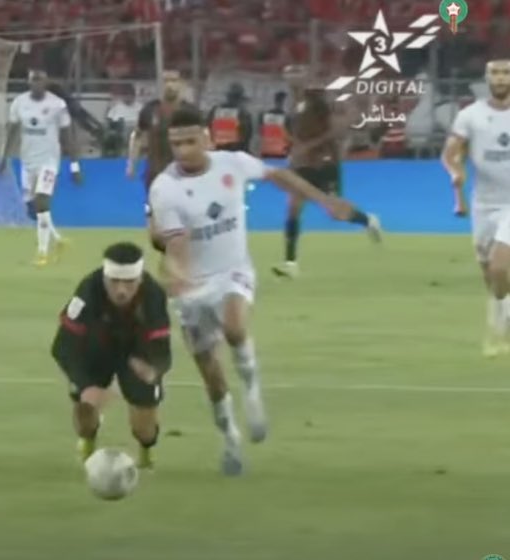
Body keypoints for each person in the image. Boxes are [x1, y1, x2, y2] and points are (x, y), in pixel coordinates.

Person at [148, 108, 372, 475]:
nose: (183, 150)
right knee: (211, 374)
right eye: (176, 144)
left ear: (206, 138)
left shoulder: (233, 163)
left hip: (233, 271)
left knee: (235, 328)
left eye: (190, 141)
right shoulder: (164, 188)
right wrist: (179, 276)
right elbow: (175, 244)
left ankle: (252, 389)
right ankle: (230, 440)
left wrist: (324, 200)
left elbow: (279, 175)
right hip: (193, 285)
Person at [51, 241, 171, 470]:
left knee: (144, 430)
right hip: (96, 351)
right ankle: (87, 445)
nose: (121, 290)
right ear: (105, 277)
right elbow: (62, 347)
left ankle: (146, 450)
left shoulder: (153, 296)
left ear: (140, 279)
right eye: (114, 281)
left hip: (138, 355)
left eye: (129, 282)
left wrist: (154, 369)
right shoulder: (88, 291)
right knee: (85, 415)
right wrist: (85, 385)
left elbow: (162, 349)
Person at [272, 65, 383, 278]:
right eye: (289, 75)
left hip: (325, 161)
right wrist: (295, 146)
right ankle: (290, 263)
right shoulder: (291, 104)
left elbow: (336, 129)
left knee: (335, 212)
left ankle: (368, 220)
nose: (292, 79)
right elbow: (292, 129)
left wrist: (309, 146)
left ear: (305, 78)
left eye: (297, 75)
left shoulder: (317, 100)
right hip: (302, 165)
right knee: (293, 207)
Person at [443, 59, 510, 357]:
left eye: (506, 73)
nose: (501, 78)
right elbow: (450, 154)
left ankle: (500, 323)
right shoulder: (470, 115)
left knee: (499, 266)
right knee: (489, 271)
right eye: (495, 73)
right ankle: (503, 311)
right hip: (484, 203)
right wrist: (455, 171)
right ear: (487, 78)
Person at [0, 68, 82, 266]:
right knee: (32, 209)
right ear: (28, 82)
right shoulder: (19, 103)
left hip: (49, 162)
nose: (36, 83)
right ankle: (58, 240)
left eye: (40, 80)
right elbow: (13, 131)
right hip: (28, 162)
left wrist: (74, 165)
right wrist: (5, 158)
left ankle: (42, 252)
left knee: (42, 202)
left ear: (46, 82)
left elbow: (67, 136)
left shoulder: (57, 105)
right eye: (33, 80)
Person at [127, 70, 196, 252]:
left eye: (173, 80)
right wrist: (131, 164)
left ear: (181, 84)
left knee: (185, 218)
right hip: (155, 173)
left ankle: (182, 252)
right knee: (156, 225)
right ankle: (164, 251)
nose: (169, 85)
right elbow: (139, 136)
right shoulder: (150, 110)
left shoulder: (190, 111)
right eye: (166, 81)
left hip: (184, 174)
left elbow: (202, 140)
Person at [207, 82, 253, 153]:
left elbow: (208, 128)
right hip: (236, 152)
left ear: (228, 96)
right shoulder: (243, 113)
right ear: (240, 98)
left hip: (216, 149)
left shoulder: (215, 110)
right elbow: (246, 135)